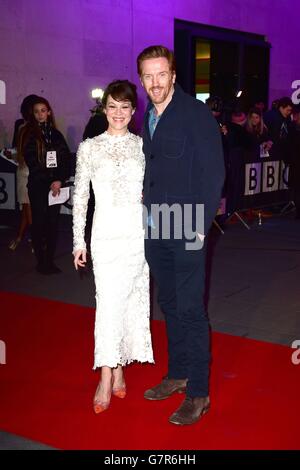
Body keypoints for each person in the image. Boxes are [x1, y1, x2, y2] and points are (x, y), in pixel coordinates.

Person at [137, 45, 224, 425]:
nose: (155, 83)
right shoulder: (148, 117)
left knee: (190, 309)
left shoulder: (195, 113)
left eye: (161, 74)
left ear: (173, 75)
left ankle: (199, 393)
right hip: (155, 226)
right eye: (148, 76)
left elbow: (214, 174)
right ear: (142, 79)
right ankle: (178, 373)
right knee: (169, 305)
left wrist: (200, 228)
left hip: (187, 223)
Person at [72, 80, 154, 414]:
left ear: (133, 111)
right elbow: (80, 197)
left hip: (137, 237)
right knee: (107, 304)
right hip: (105, 237)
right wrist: (79, 240)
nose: (118, 113)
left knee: (130, 303)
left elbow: (153, 188)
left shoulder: (142, 146)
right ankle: (106, 376)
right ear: (103, 109)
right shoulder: (89, 148)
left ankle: (118, 371)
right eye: (112, 106)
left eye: (125, 107)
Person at [23, 97, 71, 274]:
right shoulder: (29, 135)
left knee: (52, 223)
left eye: (43, 110)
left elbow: (65, 159)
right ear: (33, 114)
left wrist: (58, 179)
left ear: (49, 112)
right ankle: (41, 261)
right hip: (38, 186)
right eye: (37, 111)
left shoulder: (56, 134)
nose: (40, 114)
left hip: (55, 187)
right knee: (38, 223)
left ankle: (49, 261)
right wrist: (50, 181)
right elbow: (32, 162)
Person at [6, 94, 38, 250]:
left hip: (27, 171)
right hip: (26, 170)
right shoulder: (23, 126)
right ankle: (26, 237)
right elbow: (20, 152)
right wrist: (11, 154)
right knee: (27, 207)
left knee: (28, 207)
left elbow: (22, 153)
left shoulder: (29, 127)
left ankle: (26, 238)